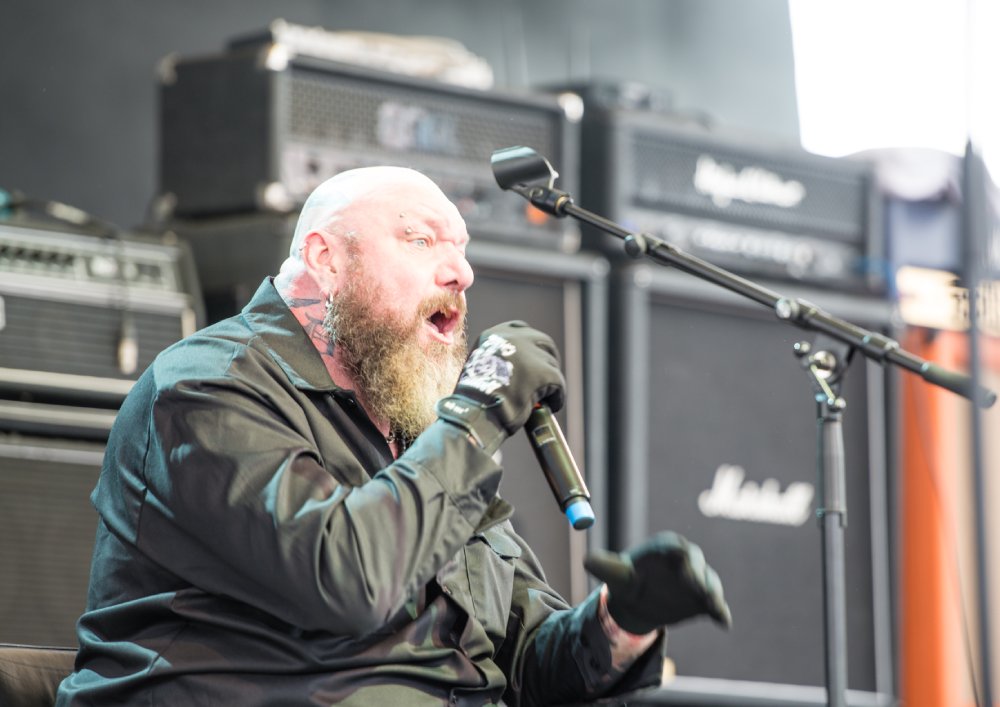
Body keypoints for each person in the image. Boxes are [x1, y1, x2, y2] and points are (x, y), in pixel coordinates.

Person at [56, 166, 730, 706]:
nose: (460, 273)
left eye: (462, 252)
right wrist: (480, 414)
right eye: (420, 240)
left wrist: (623, 619)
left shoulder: (422, 432)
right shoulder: (206, 388)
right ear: (327, 258)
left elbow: (526, 665)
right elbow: (346, 579)